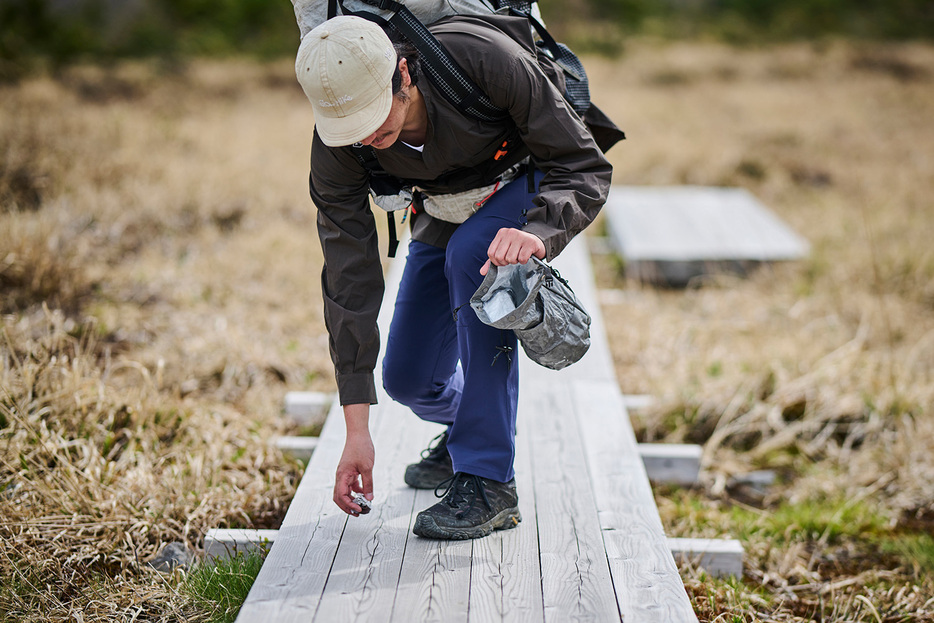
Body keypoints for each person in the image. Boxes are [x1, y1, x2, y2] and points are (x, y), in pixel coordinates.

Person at [295, 13, 612, 539]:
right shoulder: (339, 144)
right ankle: (472, 425)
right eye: (354, 131)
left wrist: (539, 232)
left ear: (403, 74)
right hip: (442, 206)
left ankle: (489, 480)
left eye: (376, 116)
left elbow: (584, 165)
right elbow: (348, 279)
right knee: (408, 378)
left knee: (473, 254)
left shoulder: (484, 59)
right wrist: (356, 432)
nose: (371, 138)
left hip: (520, 180)